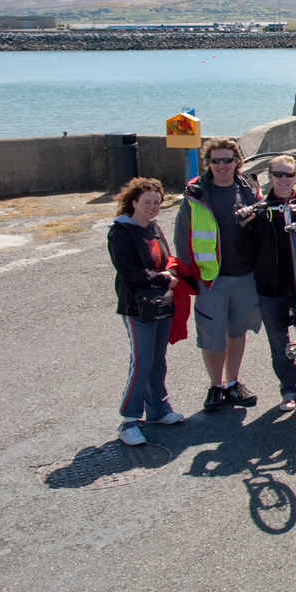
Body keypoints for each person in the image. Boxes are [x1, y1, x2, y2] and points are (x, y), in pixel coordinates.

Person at [175, 137, 263, 414]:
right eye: (216, 161)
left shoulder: (249, 188)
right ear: (208, 163)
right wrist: (191, 275)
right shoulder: (196, 194)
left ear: (237, 161)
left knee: (237, 332)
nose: (222, 166)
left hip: (246, 275)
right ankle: (215, 386)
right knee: (212, 335)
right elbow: (182, 237)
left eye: (228, 160)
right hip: (211, 277)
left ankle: (232, 383)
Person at [108, 177, 184, 446]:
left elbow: (167, 257)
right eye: (146, 202)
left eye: (156, 202)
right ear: (133, 203)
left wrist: (171, 272)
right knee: (141, 363)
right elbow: (128, 271)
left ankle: (158, 411)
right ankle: (129, 420)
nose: (152, 207)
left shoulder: (153, 227)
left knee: (157, 360)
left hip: (161, 304)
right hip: (136, 307)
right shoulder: (121, 231)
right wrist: (164, 278)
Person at [234, 155, 296, 412]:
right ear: (269, 176)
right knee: (279, 344)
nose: (284, 179)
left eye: (289, 174)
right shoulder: (260, 210)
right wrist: (243, 224)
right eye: (278, 174)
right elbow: (245, 252)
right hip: (270, 287)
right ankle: (289, 389)